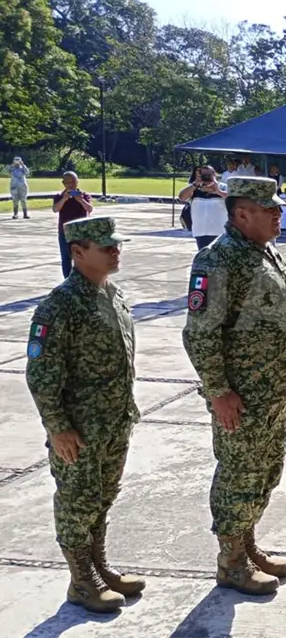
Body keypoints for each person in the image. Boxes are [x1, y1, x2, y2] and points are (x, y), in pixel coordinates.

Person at [181, 176, 286, 596]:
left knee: (266, 471)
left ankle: (248, 545)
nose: (278, 214)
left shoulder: (265, 252)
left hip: (271, 389)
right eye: (269, 209)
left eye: (277, 208)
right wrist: (218, 392)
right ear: (240, 214)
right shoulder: (219, 260)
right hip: (241, 395)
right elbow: (200, 333)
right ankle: (231, 561)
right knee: (239, 473)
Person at [25, 217, 144, 613]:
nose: (115, 251)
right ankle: (81, 580)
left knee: (103, 497)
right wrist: (57, 427)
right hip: (79, 429)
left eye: (116, 245)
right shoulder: (59, 306)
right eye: (106, 246)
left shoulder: (113, 294)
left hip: (115, 421)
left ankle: (99, 566)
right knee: (77, 502)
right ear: (78, 253)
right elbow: (40, 374)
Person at [52, 171, 94, 278]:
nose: (71, 185)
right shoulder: (59, 196)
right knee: (66, 258)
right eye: (68, 183)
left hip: (81, 231)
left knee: (82, 258)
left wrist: (81, 200)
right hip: (65, 231)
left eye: (73, 182)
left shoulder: (84, 195)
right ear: (63, 183)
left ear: (77, 181)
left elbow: (90, 209)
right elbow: (55, 209)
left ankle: (82, 280)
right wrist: (64, 199)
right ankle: (67, 280)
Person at [178, 165, 229, 250]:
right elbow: (181, 197)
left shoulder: (223, 187)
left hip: (220, 232)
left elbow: (233, 199)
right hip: (201, 232)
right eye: (203, 175)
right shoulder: (194, 189)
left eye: (208, 174)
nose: (206, 177)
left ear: (214, 174)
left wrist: (218, 191)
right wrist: (195, 184)